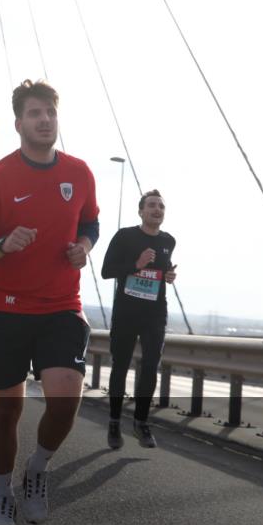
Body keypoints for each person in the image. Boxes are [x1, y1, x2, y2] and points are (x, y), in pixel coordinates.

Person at [0, 79, 99, 525]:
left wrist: (83, 246)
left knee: (64, 402)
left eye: (50, 113)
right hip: (6, 307)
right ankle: (2, 495)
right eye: (35, 114)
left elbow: (91, 223)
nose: (44, 120)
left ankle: (36, 470)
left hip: (61, 305)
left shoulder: (80, 172)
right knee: (7, 411)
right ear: (18, 123)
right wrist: (2, 245)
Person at [101, 190, 177, 449]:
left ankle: (141, 423)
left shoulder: (169, 241)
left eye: (161, 207)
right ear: (141, 211)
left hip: (155, 313)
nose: (157, 210)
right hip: (126, 312)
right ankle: (114, 422)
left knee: (150, 365)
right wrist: (136, 263)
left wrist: (168, 274)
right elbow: (106, 271)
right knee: (120, 366)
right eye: (152, 205)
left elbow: (162, 269)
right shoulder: (125, 236)